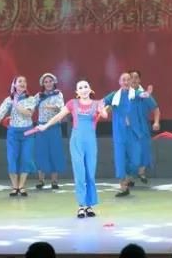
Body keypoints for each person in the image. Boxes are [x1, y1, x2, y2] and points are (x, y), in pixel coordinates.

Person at [37, 79, 107, 217]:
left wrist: (102, 108)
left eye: (86, 86)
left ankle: (89, 205)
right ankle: (81, 205)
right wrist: (45, 126)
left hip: (90, 143)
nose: (83, 89)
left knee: (90, 174)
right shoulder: (72, 103)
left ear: (90, 89)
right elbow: (59, 116)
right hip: (76, 142)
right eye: (80, 88)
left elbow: (104, 115)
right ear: (77, 92)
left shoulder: (96, 104)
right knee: (80, 173)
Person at [0, 76, 39, 196]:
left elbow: (28, 114)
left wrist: (16, 104)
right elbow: (0, 114)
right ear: (14, 85)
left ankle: (22, 186)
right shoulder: (8, 99)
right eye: (20, 81)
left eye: (24, 81)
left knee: (26, 158)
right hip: (13, 133)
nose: (23, 83)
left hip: (27, 133)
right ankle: (15, 186)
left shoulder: (30, 99)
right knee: (12, 159)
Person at [102, 73, 149, 197]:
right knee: (120, 160)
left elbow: (143, 95)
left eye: (128, 79)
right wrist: (104, 109)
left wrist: (147, 93)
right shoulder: (114, 95)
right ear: (119, 82)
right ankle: (123, 187)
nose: (126, 82)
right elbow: (102, 102)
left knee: (135, 160)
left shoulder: (135, 94)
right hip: (119, 133)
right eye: (124, 80)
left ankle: (128, 178)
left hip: (133, 133)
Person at [34, 73, 66, 190]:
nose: (48, 83)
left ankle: (54, 181)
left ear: (54, 82)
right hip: (41, 127)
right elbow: (30, 107)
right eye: (46, 82)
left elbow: (62, 108)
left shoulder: (58, 94)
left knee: (54, 152)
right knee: (41, 152)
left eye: (50, 81)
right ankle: (41, 180)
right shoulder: (38, 96)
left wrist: (51, 107)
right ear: (43, 83)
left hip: (54, 128)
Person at [129, 70, 160, 184]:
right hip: (129, 128)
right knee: (130, 152)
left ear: (139, 80)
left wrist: (156, 122)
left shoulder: (145, 95)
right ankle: (130, 177)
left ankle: (141, 172)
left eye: (136, 77)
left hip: (143, 128)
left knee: (144, 150)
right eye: (131, 77)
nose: (134, 79)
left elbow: (156, 109)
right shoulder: (124, 94)